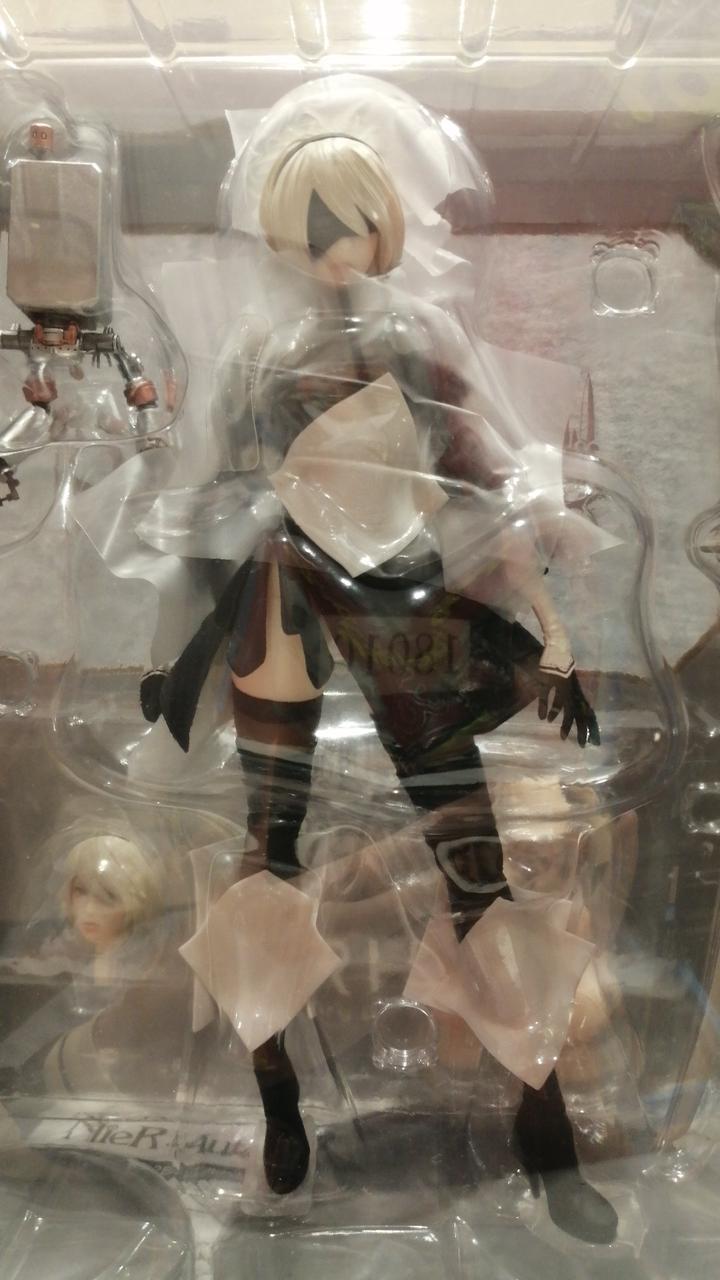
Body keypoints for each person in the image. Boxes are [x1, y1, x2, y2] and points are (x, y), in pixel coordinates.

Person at [138, 99, 616, 1243]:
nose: (329, 248)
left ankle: (541, 1113)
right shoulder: (258, 353)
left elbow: (486, 483)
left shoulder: (413, 339)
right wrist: (171, 651)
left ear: (383, 224)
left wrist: (549, 622)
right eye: (308, 227)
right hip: (283, 604)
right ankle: (276, 1095)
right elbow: (204, 509)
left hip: (403, 608)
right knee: (266, 853)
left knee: (473, 853)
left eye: (346, 222)